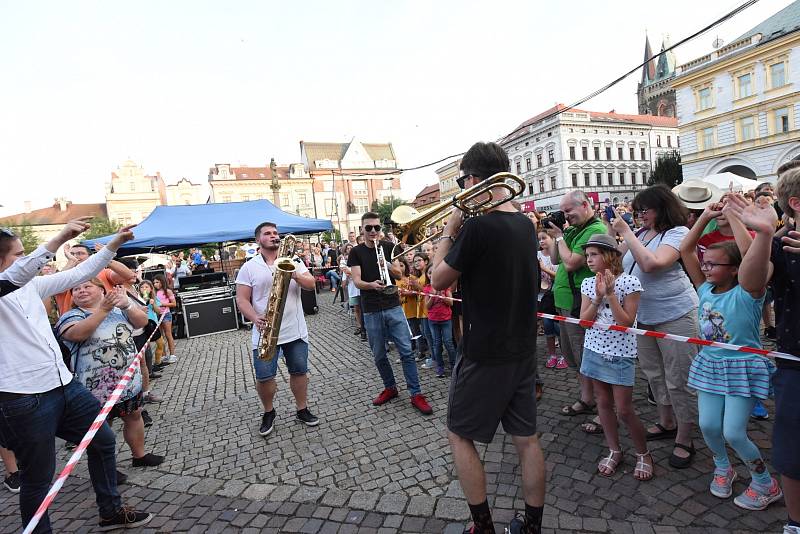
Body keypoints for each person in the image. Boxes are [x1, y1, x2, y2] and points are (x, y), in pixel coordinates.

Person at [0, 222, 153, 532]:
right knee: (38, 477)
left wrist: (114, 244)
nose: (26, 258)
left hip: (64, 387)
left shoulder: (32, 285)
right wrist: (59, 238)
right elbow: (20, 272)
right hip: (23, 397)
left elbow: (78, 274)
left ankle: (109, 511)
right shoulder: (6, 285)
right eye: (19, 254)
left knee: (103, 441)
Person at [432, 141, 544, 534]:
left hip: (484, 350)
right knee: (526, 440)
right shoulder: (525, 224)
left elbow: (437, 279)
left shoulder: (477, 226)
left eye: (463, 180)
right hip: (522, 349)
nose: (463, 187)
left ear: (475, 179)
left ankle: (482, 525)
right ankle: (532, 526)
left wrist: (448, 231)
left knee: (460, 435)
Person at [679, 195, 782, 510]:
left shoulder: (749, 291)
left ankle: (765, 481)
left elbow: (753, 256)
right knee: (709, 425)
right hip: (711, 365)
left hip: (742, 367)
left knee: (734, 431)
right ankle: (723, 467)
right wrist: (706, 216)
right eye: (705, 263)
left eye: (713, 264)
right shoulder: (704, 288)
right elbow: (685, 250)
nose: (706, 268)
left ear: (735, 268)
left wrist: (738, 219)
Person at [611, 185, 699, 469]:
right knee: (654, 374)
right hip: (643, 316)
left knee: (678, 376)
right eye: (637, 212)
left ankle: (685, 437)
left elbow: (652, 264)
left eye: (644, 211)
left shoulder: (678, 234)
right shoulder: (639, 233)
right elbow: (616, 259)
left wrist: (626, 233)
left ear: (662, 208)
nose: (640, 216)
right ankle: (667, 421)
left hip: (675, 314)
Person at [56, 280, 164, 468]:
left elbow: (143, 322)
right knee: (101, 429)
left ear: (101, 289)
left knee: (134, 416)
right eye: (76, 289)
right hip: (93, 389)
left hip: (127, 383)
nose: (81, 291)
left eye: (87, 286)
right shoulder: (71, 316)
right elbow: (77, 334)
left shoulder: (119, 310)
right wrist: (103, 309)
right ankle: (106, 469)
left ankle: (139, 456)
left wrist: (128, 305)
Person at [577, 234, 651, 480]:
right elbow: (585, 323)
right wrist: (597, 297)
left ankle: (643, 453)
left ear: (609, 256)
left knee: (624, 409)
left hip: (620, 352)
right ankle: (614, 450)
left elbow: (626, 322)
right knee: (602, 402)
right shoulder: (588, 283)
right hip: (594, 348)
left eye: (594, 254)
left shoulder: (629, 282)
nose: (589, 260)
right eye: (587, 255)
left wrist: (610, 294)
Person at [236, 222, 320, 436]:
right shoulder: (249, 267)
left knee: (299, 371)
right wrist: (255, 317)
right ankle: (268, 411)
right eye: (267, 233)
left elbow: (311, 284)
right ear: (258, 240)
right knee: (264, 377)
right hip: (265, 330)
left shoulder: (295, 261)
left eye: (275, 233)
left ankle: (302, 409)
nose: (274, 236)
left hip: (295, 330)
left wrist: (295, 274)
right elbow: (242, 300)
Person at [347, 212, 433, 415]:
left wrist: (385, 263)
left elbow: (398, 274)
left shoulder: (388, 247)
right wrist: (370, 285)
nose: (373, 231)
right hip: (371, 308)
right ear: (362, 230)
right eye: (369, 228)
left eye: (376, 227)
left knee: (406, 351)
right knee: (378, 354)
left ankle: (415, 393)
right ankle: (390, 387)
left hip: (393, 305)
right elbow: (357, 280)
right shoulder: (356, 252)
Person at [546, 190, 607, 418]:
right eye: (563, 211)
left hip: (579, 300)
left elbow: (571, 263)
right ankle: (587, 397)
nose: (566, 215)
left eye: (568, 210)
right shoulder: (572, 230)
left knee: (585, 354)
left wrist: (561, 236)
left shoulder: (595, 229)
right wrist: (555, 235)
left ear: (584, 205)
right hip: (564, 299)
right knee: (572, 354)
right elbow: (554, 259)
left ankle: (602, 406)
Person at [763, 165, 800, 533]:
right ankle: (795, 521)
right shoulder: (782, 242)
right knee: (791, 447)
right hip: (794, 358)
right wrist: (758, 235)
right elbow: (754, 284)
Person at [54, 243, 137, 315]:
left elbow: (128, 275)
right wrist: (71, 261)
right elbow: (55, 285)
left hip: (107, 320)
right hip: (74, 324)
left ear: (90, 257)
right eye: (71, 254)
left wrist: (105, 258)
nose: (75, 256)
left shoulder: (102, 272)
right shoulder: (64, 275)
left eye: (80, 253)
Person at [423, 264, 457, 378]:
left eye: (434, 272)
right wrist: (432, 296)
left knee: (448, 343)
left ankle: (454, 366)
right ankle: (440, 367)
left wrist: (443, 296)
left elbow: (451, 303)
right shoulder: (427, 288)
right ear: (427, 275)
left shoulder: (446, 287)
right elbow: (427, 306)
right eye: (429, 273)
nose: (432, 274)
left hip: (446, 319)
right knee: (437, 344)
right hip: (433, 320)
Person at [537, 231, 562, 369]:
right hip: (542, 296)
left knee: (559, 327)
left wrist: (544, 269)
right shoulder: (537, 255)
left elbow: (559, 276)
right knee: (547, 326)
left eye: (544, 238)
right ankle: (552, 355)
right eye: (539, 239)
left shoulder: (557, 256)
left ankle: (564, 354)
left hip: (556, 295)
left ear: (552, 238)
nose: (541, 241)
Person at [152, 274, 177, 364]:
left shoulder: (168, 291)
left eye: (157, 282)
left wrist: (162, 304)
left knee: (168, 335)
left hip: (166, 314)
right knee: (159, 336)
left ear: (162, 282)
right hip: (156, 316)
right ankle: (163, 355)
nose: (155, 284)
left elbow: (174, 304)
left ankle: (172, 355)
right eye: (154, 282)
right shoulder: (153, 292)